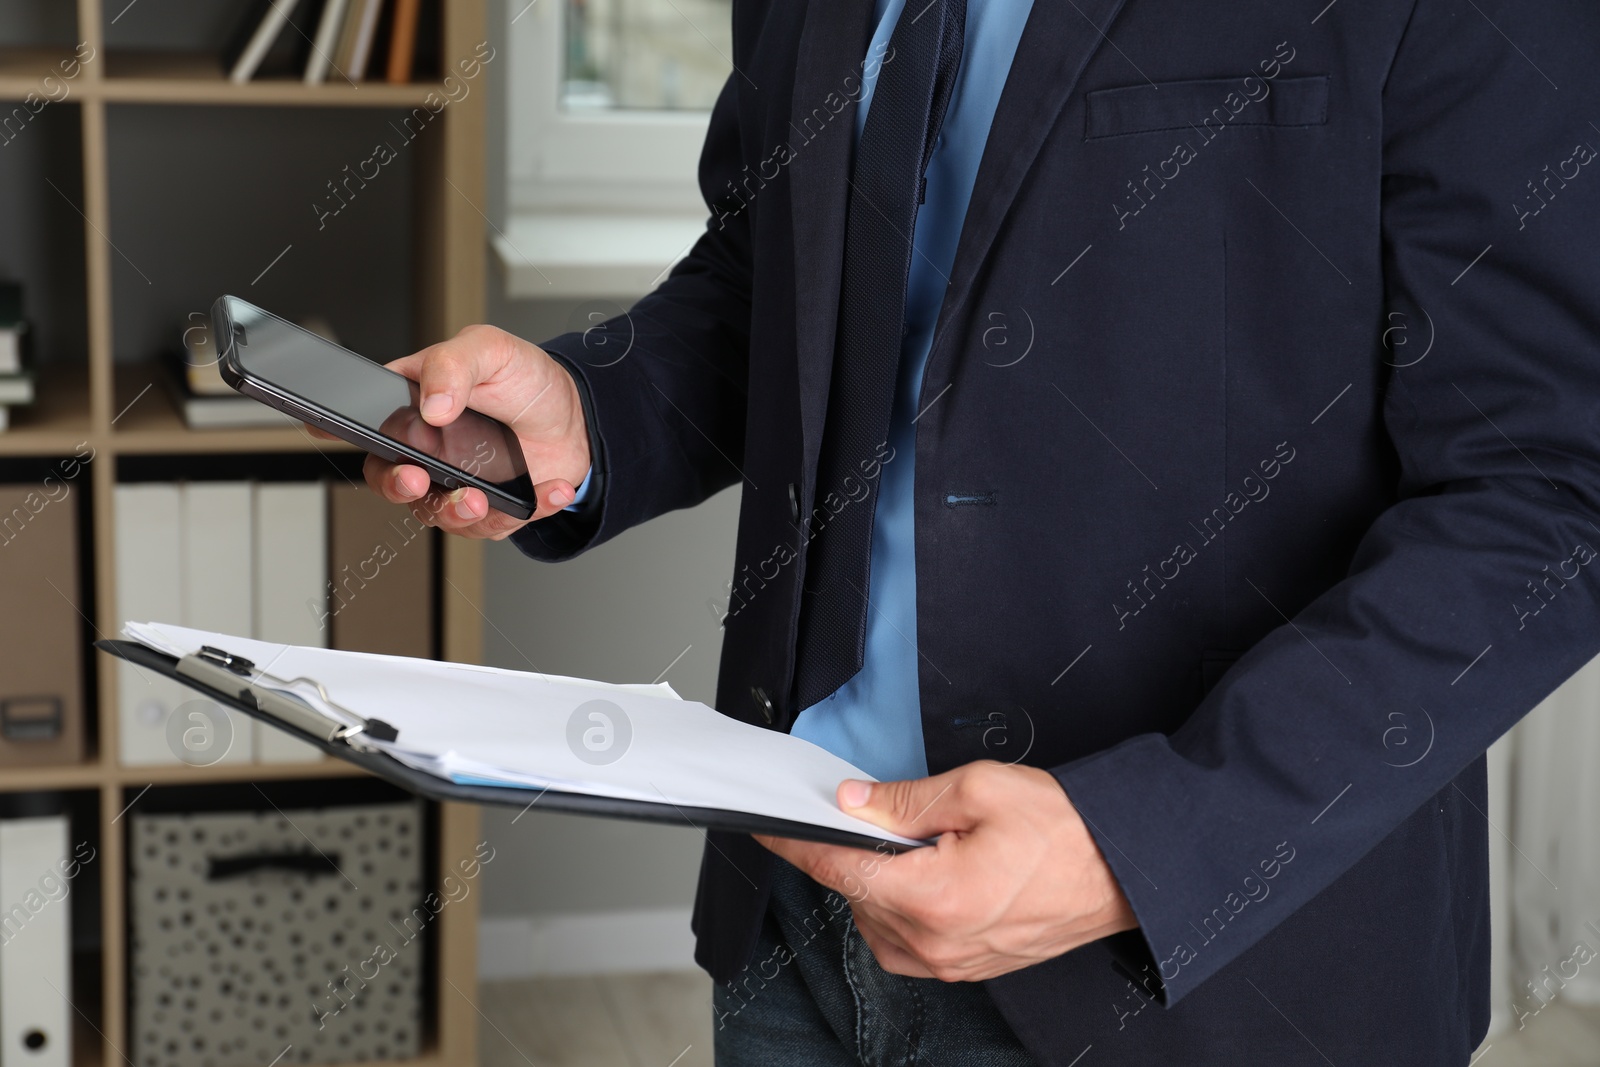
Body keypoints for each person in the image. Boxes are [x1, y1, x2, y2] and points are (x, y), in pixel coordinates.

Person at [334, 0, 1600, 1062]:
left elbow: (1552, 487)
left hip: (1208, 980)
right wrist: (588, 412)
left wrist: (1137, 850)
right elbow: (773, 279)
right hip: (799, 917)